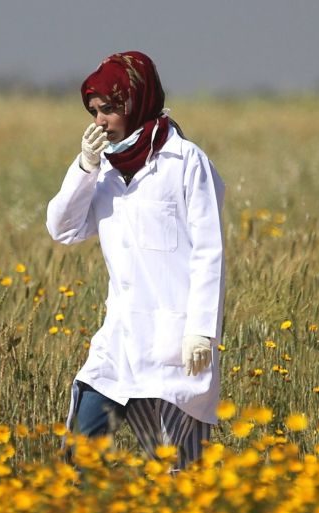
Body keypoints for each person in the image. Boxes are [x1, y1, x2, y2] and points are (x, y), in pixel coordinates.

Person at [46, 51, 226, 470]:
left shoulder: (185, 163)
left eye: (108, 108)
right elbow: (63, 229)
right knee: (79, 456)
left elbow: (209, 251)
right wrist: (83, 166)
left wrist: (201, 331)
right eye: (93, 111)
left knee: (177, 468)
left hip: (174, 345)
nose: (99, 121)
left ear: (135, 100)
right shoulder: (104, 171)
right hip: (120, 340)